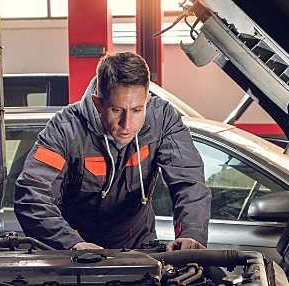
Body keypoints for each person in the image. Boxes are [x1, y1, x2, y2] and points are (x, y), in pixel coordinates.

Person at [13, 52, 211, 251]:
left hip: (139, 248)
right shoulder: (64, 130)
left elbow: (189, 182)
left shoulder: (163, 119)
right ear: (98, 103)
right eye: (117, 110)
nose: (127, 124)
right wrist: (71, 243)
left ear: (147, 101)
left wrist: (191, 233)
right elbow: (32, 193)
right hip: (75, 253)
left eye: (136, 110)